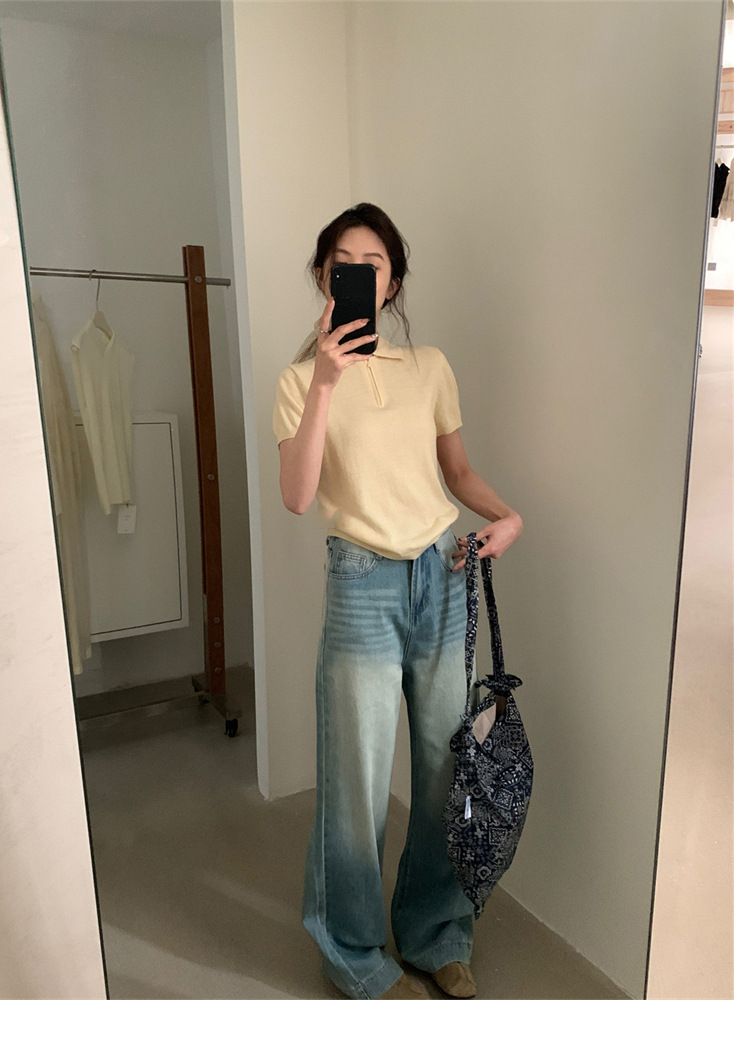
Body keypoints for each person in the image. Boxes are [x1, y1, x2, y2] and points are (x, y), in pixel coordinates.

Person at [273, 203, 523, 1000]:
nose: (357, 275)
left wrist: (507, 516)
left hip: (442, 573)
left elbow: (457, 471)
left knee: (448, 768)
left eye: (373, 264)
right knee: (355, 780)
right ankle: (352, 952)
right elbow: (297, 495)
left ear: (392, 282)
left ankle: (435, 931)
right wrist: (325, 382)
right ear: (325, 279)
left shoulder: (431, 367)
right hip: (361, 582)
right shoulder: (298, 381)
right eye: (341, 264)